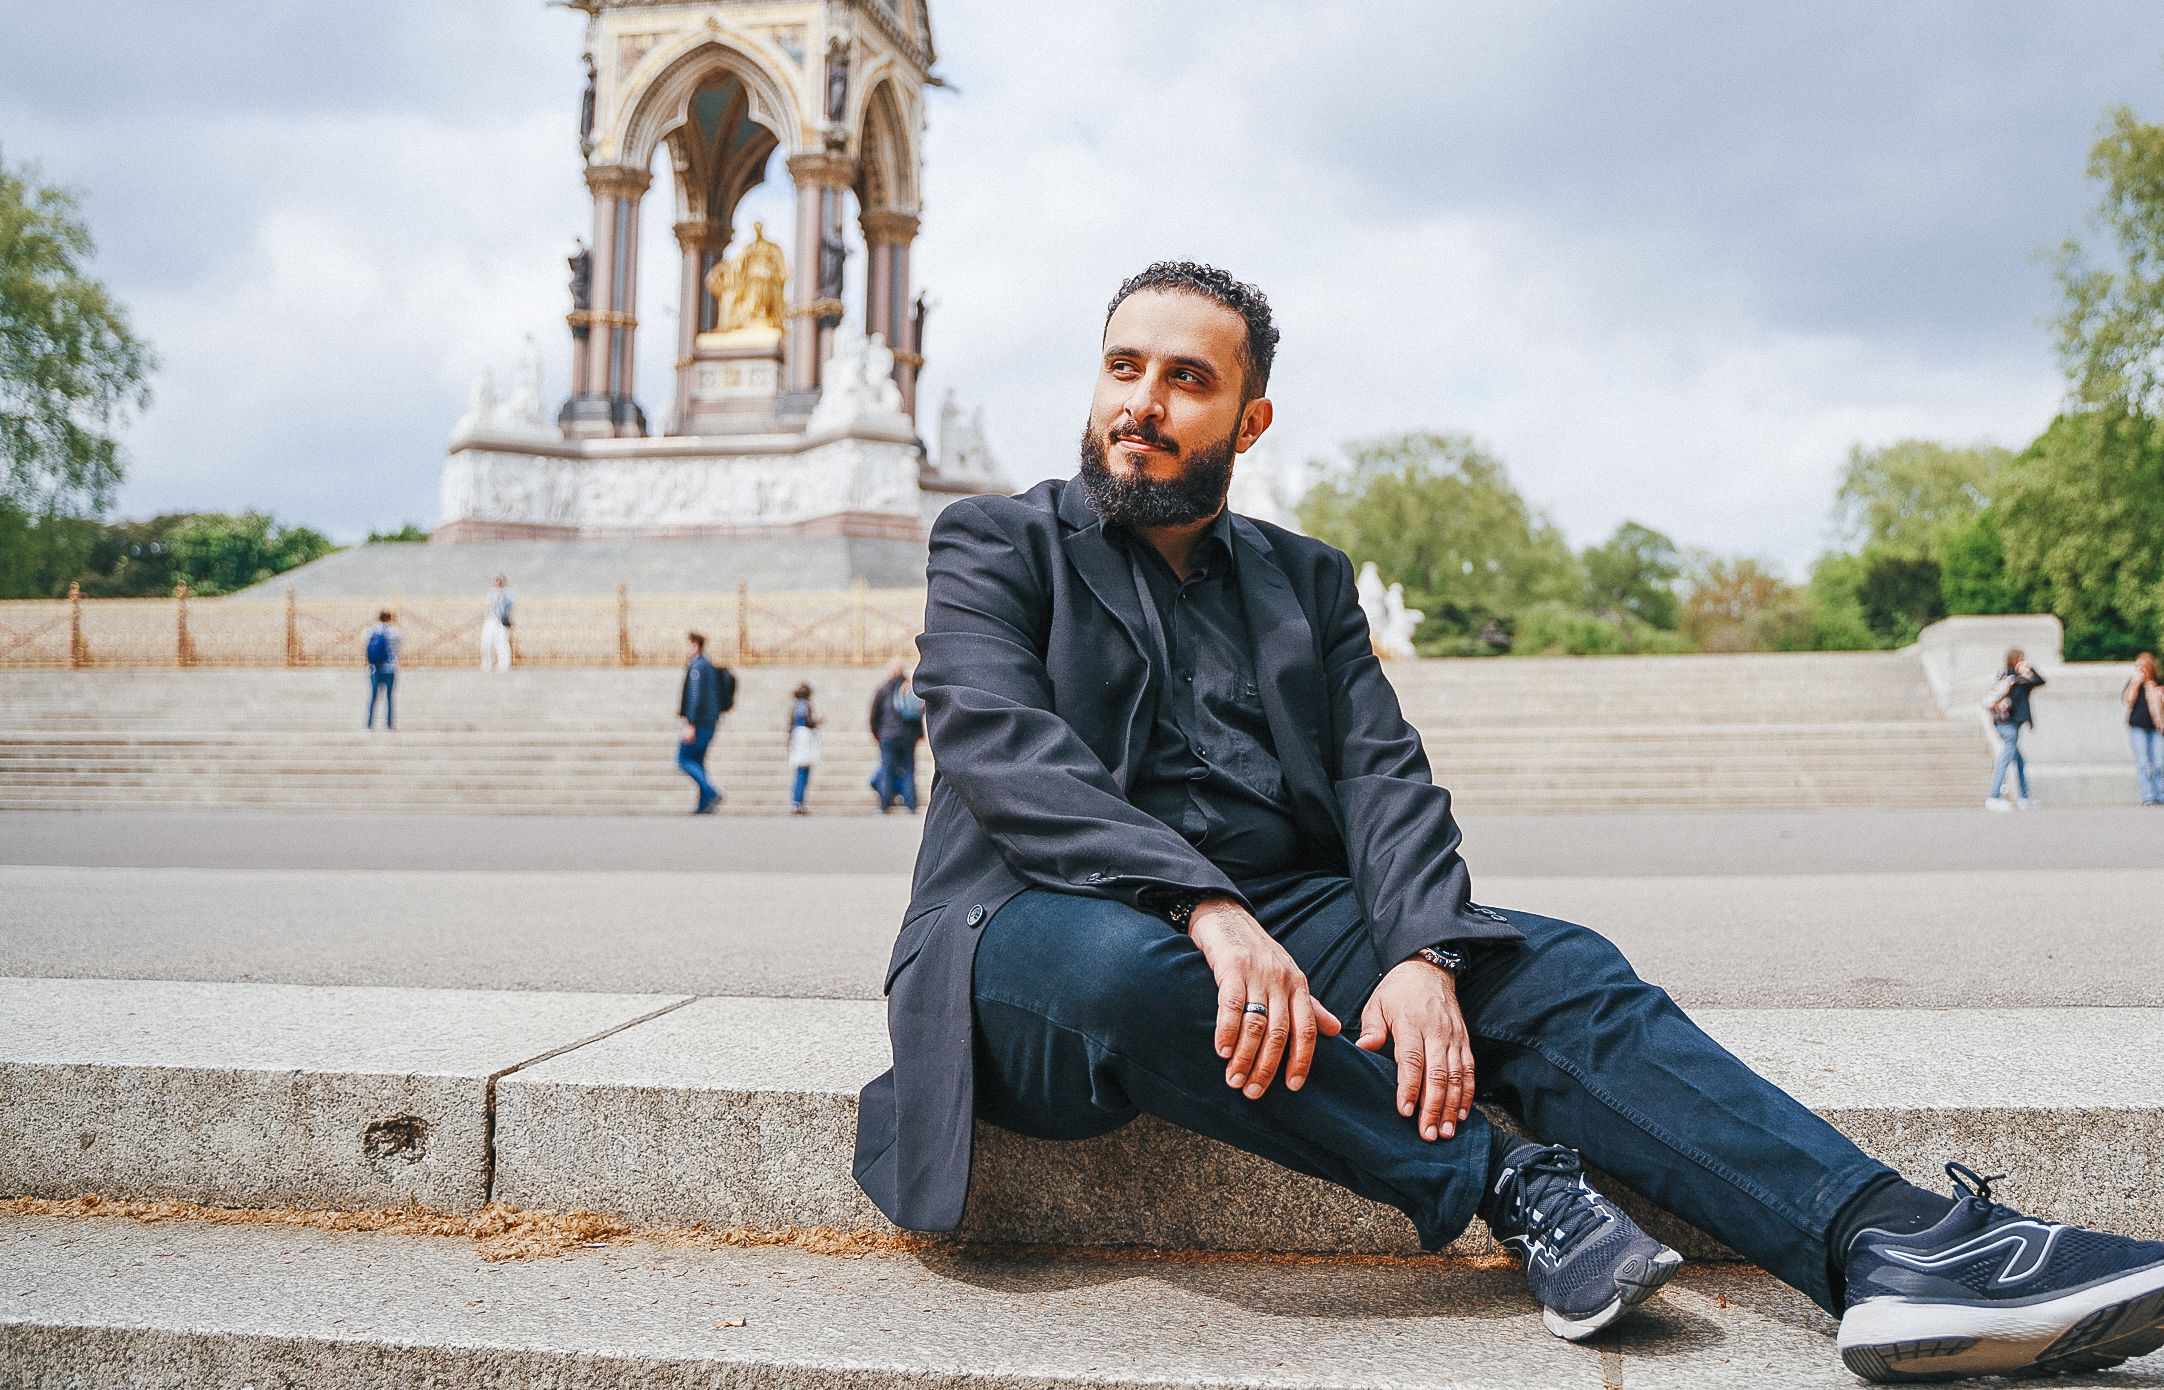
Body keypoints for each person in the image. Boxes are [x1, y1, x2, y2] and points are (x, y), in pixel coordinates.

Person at [850, 262, 2164, 1383]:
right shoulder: (994, 543)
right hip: (1028, 932)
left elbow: (1385, 778)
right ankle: (1507, 1182)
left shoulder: (1305, 578)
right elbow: (1002, 751)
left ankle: (1896, 1243)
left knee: (1553, 967)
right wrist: (1203, 904)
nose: (1140, 401)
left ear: (1250, 419)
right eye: (1121, 366)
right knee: (1130, 967)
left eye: (1185, 379)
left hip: (1284, 917)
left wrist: (1423, 952)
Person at [677, 632, 734, 814]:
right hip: (711, 720)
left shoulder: (697, 666)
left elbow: (696, 697)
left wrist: (691, 723)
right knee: (698, 761)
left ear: (695, 644)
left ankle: (711, 792)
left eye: (687, 644)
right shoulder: (708, 665)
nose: (684, 649)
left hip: (700, 722)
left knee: (683, 759)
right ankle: (703, 804)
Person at [1985, 646, 2046, 811]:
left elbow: (2040, 681)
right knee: (2004, 760)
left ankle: (2024, 797)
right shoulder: (2011, 680)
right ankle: (1994, 796)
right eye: (2021, 660)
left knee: (2019, 761)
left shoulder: (2022, 679)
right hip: (2007, 724)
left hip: (2012, 724)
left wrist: (2029, 669)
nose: (2023, 663)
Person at [866, 658, 925, 813]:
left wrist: (876, 732)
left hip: (888, 736)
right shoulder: (909, 688)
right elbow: (917, 713)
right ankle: (911, 804)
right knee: (909, 770)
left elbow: (874, 714)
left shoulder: (883, 689)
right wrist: (918, 734)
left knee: (888, 769)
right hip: (908, 736)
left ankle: (884, 804)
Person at [2125, 652, 2164, 806]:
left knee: (2159, 762)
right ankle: (2148, 796)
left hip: (2157, 727)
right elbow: (2129, 701)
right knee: (2143, 762)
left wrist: (2156, 692)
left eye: (2145, 666)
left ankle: (2161, 794)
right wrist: (2137, 683)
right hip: (2138, 726)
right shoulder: (2134, 683)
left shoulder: (2158, 682)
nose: (2142, 669)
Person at [786, 682, 821, 815]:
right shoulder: (805, 705)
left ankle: (797, 801)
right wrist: (818, 721)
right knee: (802, 772)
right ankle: (798, 801)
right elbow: (809, 722)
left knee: (799, 772)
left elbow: (790, 724)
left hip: (797, 738)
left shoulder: (795, 706)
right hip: (804, 740)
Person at [363, 610, 400, 731]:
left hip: (375, 668)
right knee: (389, 697)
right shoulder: (394, 632)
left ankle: (369, 724)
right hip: (390, 668)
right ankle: (389, 725)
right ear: (389, 618)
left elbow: (364, 642)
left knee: (373, 697)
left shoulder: (371, 630)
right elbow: (401, 642)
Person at [481, 575, 514, 673]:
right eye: (496, 580)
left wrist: (502, 596)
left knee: (501, 643)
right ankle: (486, 664)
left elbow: (510, 604)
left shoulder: (507, 592)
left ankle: (503, 665)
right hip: (490, 619)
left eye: (499, 580)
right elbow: (488, 605)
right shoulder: (491, 592)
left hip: (501, 621)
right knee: (486, 642)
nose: (498, 582)